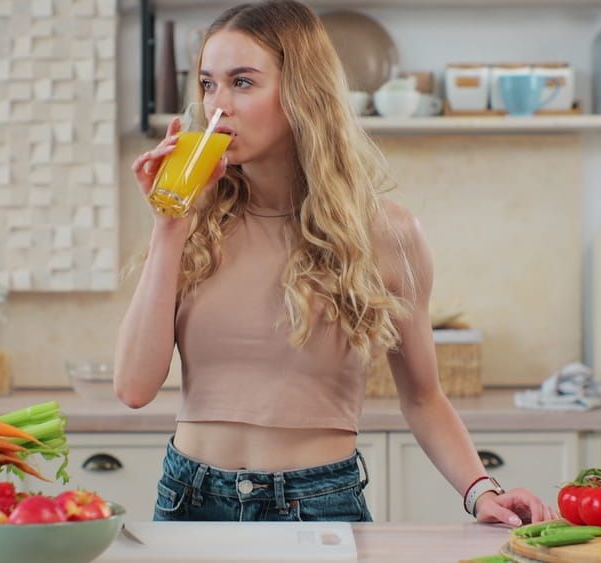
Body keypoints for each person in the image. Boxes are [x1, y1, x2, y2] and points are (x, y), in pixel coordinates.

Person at [115, 0, 556, 526]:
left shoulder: (385, 233)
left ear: (302, 92)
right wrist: (168, 228)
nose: (217, 106)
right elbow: (134, 389)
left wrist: (482, 491)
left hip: (316, 504)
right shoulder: (192, 223)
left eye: (243, 82)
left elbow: (423, 397)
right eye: (208, 84)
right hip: (189, 498)